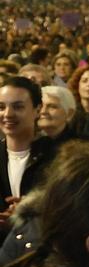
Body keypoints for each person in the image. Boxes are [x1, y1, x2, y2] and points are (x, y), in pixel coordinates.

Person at [0, 77, 57, 230]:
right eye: (1, 107)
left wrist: (32, 208)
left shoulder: (58, 156)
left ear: (38, 109)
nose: (8, 114)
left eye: (18, 107)